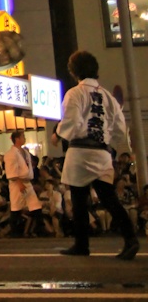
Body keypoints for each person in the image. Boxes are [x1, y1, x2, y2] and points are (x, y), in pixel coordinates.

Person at [54, 50, 139, 259]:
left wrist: (58, 134)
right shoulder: (107, 96)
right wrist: (113, 145)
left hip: (80, 152)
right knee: (109, 199)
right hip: (101, 152)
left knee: (79, 200)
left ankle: (81, 245)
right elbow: (120, 127)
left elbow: (71, 122)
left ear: (74, 72)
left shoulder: (75, 93)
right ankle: (130, 239)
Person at [4, 130, 42, 237]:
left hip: (27, 182)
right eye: (23, 136)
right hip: (17, 182)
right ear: (17, 139)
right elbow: (12, 171)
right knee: (16, 207)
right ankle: (15, 231)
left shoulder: (25, 152)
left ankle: (39, 229)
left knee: (35, 206)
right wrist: (19, 183)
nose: (24, 138)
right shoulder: (11, 154)